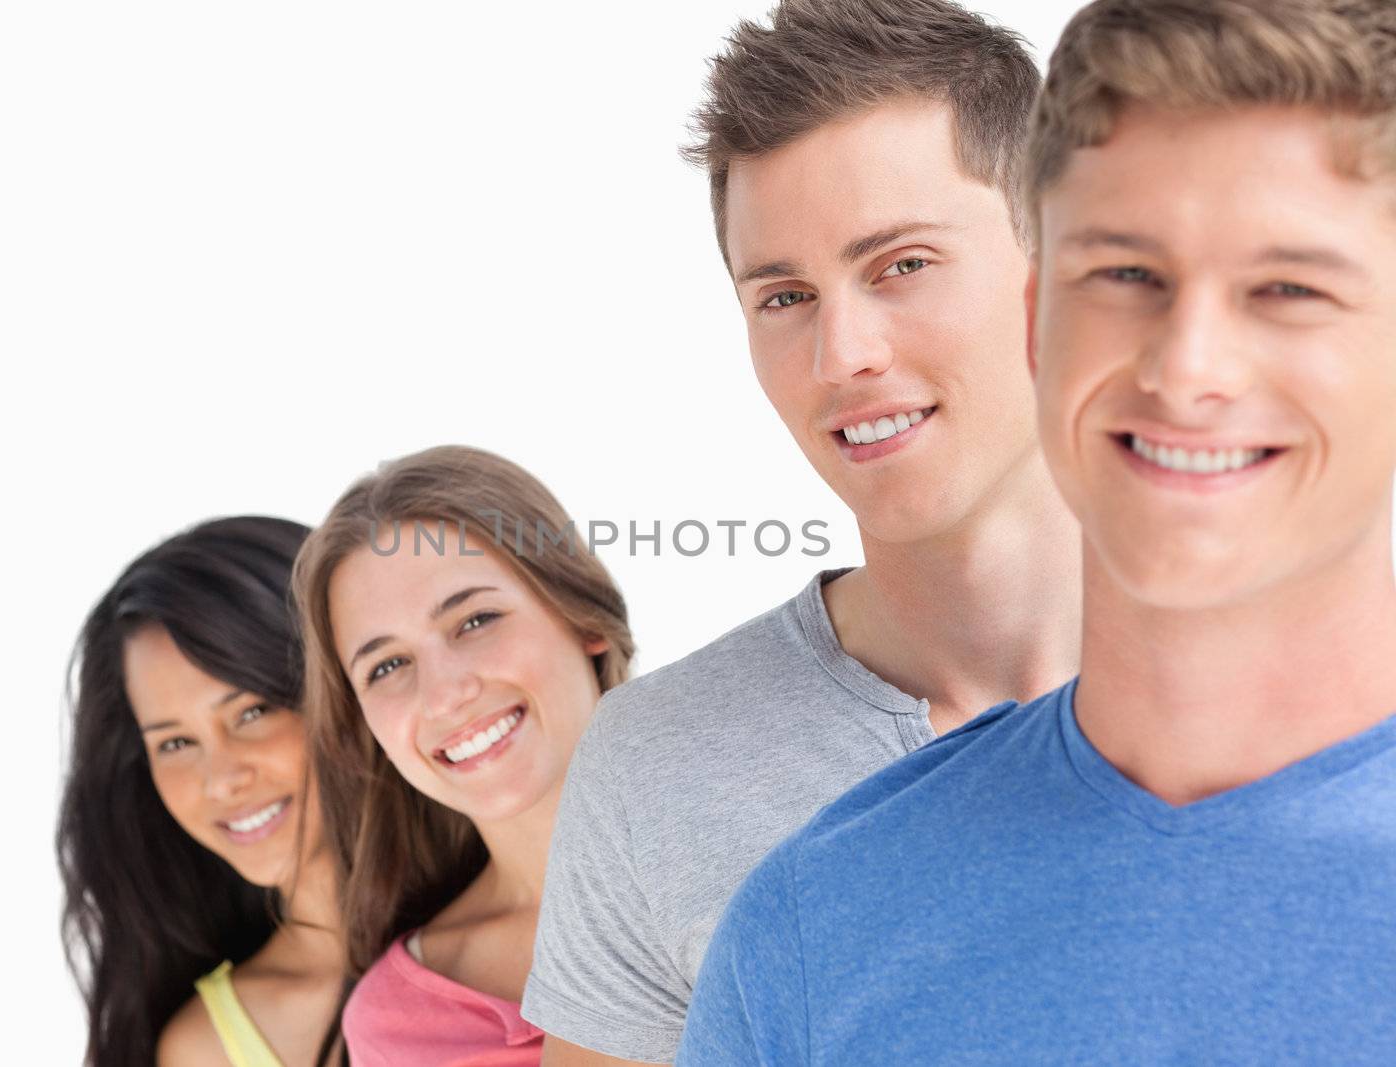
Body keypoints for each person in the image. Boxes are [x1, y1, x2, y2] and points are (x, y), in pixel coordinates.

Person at [679, 0, 1396, 1061]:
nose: (1185, 365)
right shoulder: (815, 923)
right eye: (1123, 275)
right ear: (1034, 320)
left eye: (1286, 286)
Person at [525, 2, 1081, 1062]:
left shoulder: (1323, 682)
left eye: (901, 264)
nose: (839, 354)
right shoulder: (657, 767)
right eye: (783, 295)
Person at [293, 445, 637, 1065]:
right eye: (389, 665)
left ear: (582, 615)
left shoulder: (777, 842)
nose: (446, 695)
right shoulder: (396, 1029)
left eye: (475, 621)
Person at [57, 517, 347, 1067]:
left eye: (253, 712)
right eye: (175, 744)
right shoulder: (202, 1047)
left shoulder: (533, 926)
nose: (220, 779)